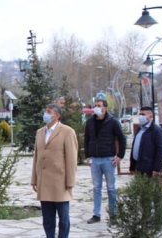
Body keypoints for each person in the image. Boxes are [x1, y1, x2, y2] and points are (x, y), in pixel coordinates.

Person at [31, 104, 78, 238]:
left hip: (60, 182)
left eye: (48, 112)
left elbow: (71, 158)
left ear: (57, 116)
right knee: (47, 219)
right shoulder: (40, 132)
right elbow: (36, 156)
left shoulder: (67, 131)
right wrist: (34, 179)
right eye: (45, 111)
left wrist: (70, 181)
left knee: (63, 219)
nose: (45, 114)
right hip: (44, 182)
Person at [84, 99, 126, 224]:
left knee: (111, 188)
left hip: (108, 159)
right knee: (96, 188)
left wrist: (120, 156)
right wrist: (87, 155)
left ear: (105, 108)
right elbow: (87, 139)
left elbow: (122, 138)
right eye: (95, 106)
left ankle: (113, 215)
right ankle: (96, 214)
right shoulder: (90, 122)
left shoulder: (112, 122)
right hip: (95, 160)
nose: (97, 108)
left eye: (99, 106)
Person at [129, 107, 162, 176]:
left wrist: (156, 169)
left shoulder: (157, 131)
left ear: (150, 116)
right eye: (140, 114)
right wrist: (132, 167)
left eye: (143, 114)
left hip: (149, 170)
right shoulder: (140, 129)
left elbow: (161, 151)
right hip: (138, 167)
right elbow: (135, 147)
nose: (140, 116)